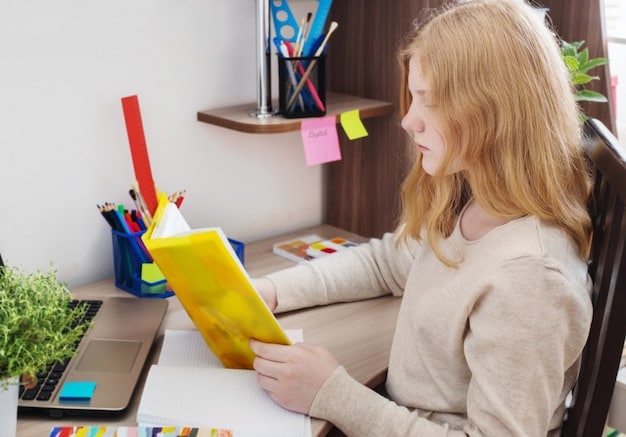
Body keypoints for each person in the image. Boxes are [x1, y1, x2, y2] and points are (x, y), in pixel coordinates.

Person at [250, 0, 593, 435]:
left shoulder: (530, 278)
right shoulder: (479, 202)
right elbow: (385, 262)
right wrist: (273, 291)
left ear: (494, 113)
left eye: (428, 101)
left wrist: (334, 394)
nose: (409, 121)